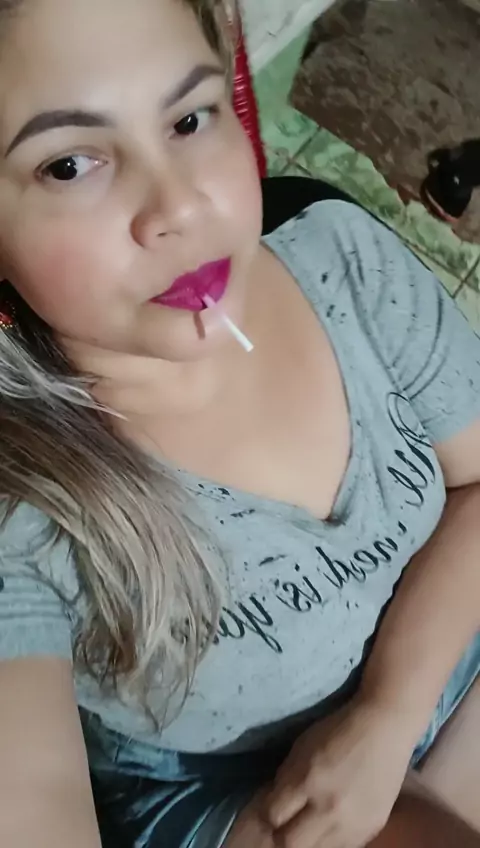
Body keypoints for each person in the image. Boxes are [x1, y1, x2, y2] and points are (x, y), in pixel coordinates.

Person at [0, 1, 479, 847]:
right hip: (242, 799)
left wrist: (391, 717)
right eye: (69, 165)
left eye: (189, 119)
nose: (179, 206)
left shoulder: (347, 264)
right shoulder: (25, 499)